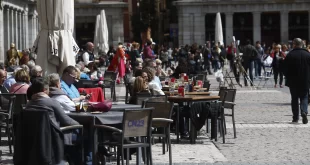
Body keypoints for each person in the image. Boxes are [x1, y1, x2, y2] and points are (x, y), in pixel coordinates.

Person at [284, 38, 310, 124]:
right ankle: (304, 111)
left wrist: (287, 77)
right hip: (305, 80)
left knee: (294, 99)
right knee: (304, 97)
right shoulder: (307, 54)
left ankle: (295, 117)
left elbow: (285, 69)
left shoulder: (290, 55)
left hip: (293, 81)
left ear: (294, 44)